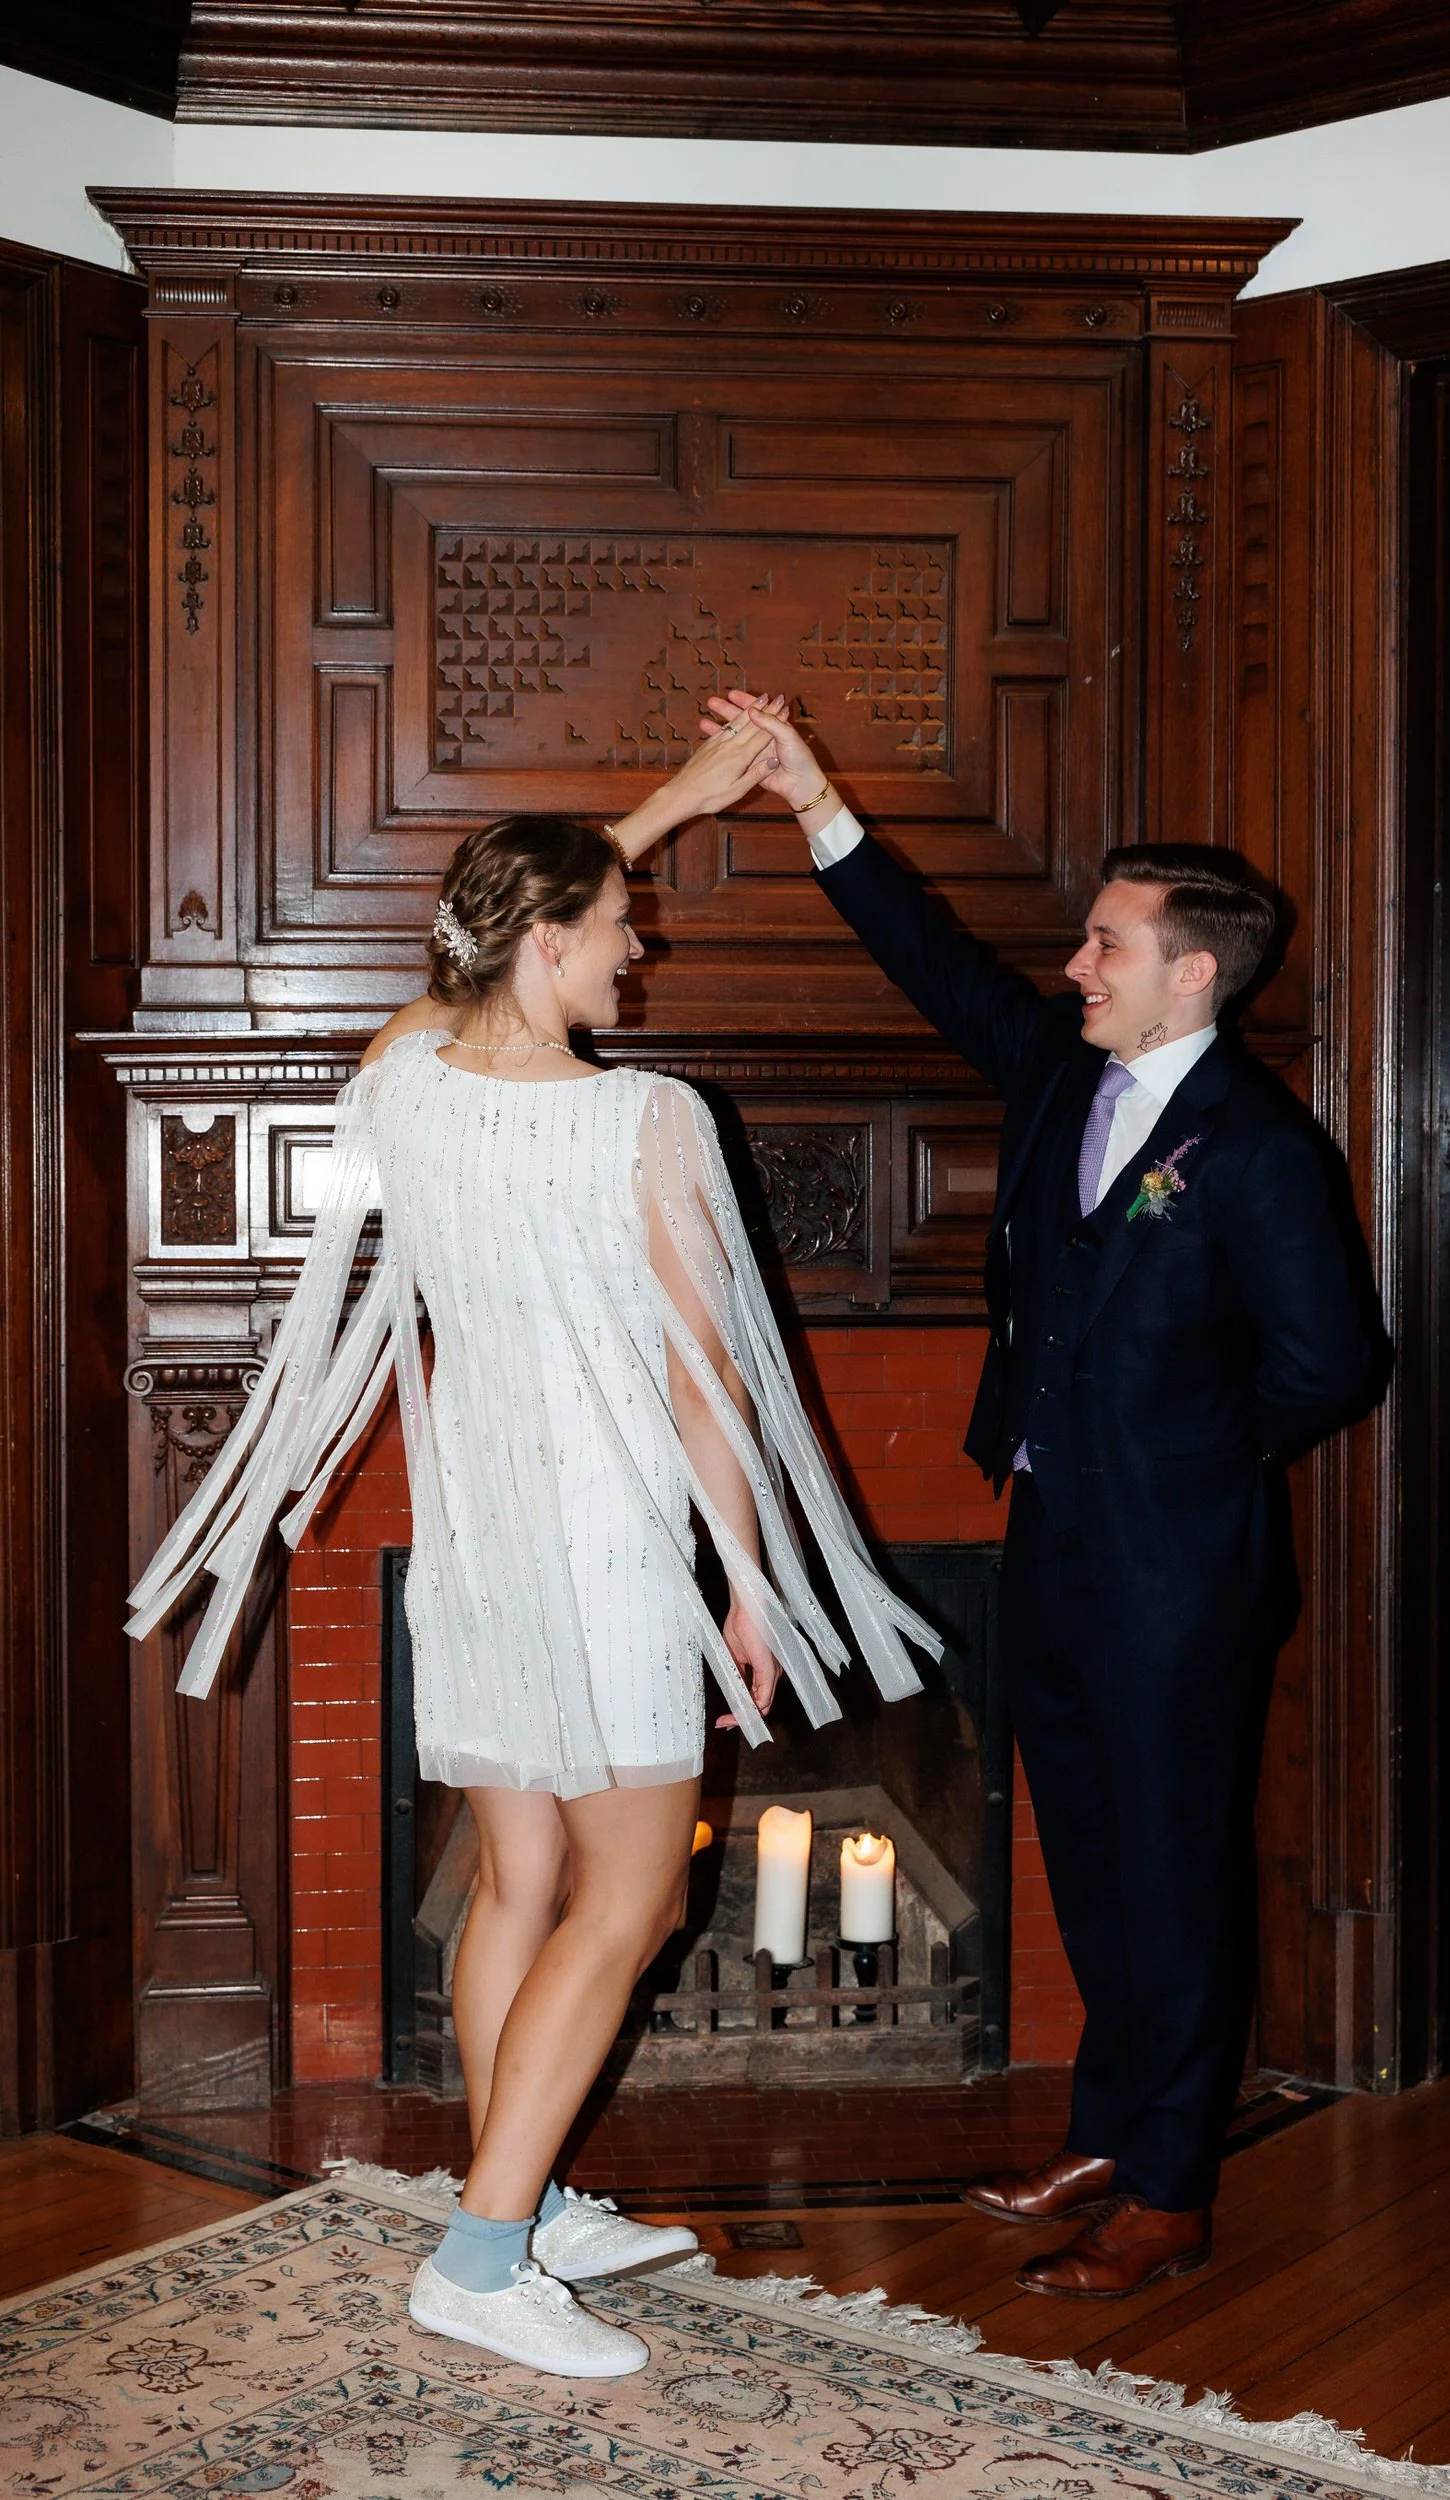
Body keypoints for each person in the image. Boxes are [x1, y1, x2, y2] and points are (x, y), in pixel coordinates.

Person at [126, 713, 940, 2376]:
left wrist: (663, 811)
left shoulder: (400, 1082)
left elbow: (458, 982)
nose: (640, 954)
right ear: (550, 940)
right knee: (631, 1899)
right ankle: (483, 2258)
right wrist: (748, 1581)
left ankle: (529, 2200)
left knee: (518, 1882)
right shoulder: (646, 1117)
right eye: (619, 928)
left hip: (476, 1545)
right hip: (609, 1545)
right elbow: (708, 1380)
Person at [701, 687, 1380, 2300]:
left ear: (1189, 972)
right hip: (1053, 1544)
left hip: (1178, 1573)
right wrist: (813, 801)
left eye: (1104, 945)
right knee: (1085, 1854)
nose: (1076, 965)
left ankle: (1169, 2191)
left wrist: (1171, 1460)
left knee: (1173, 1875)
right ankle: (1109, 2128)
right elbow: (934, 961)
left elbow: (1335, 1367)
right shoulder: (1066, 1080)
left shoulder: (1263, 1149)